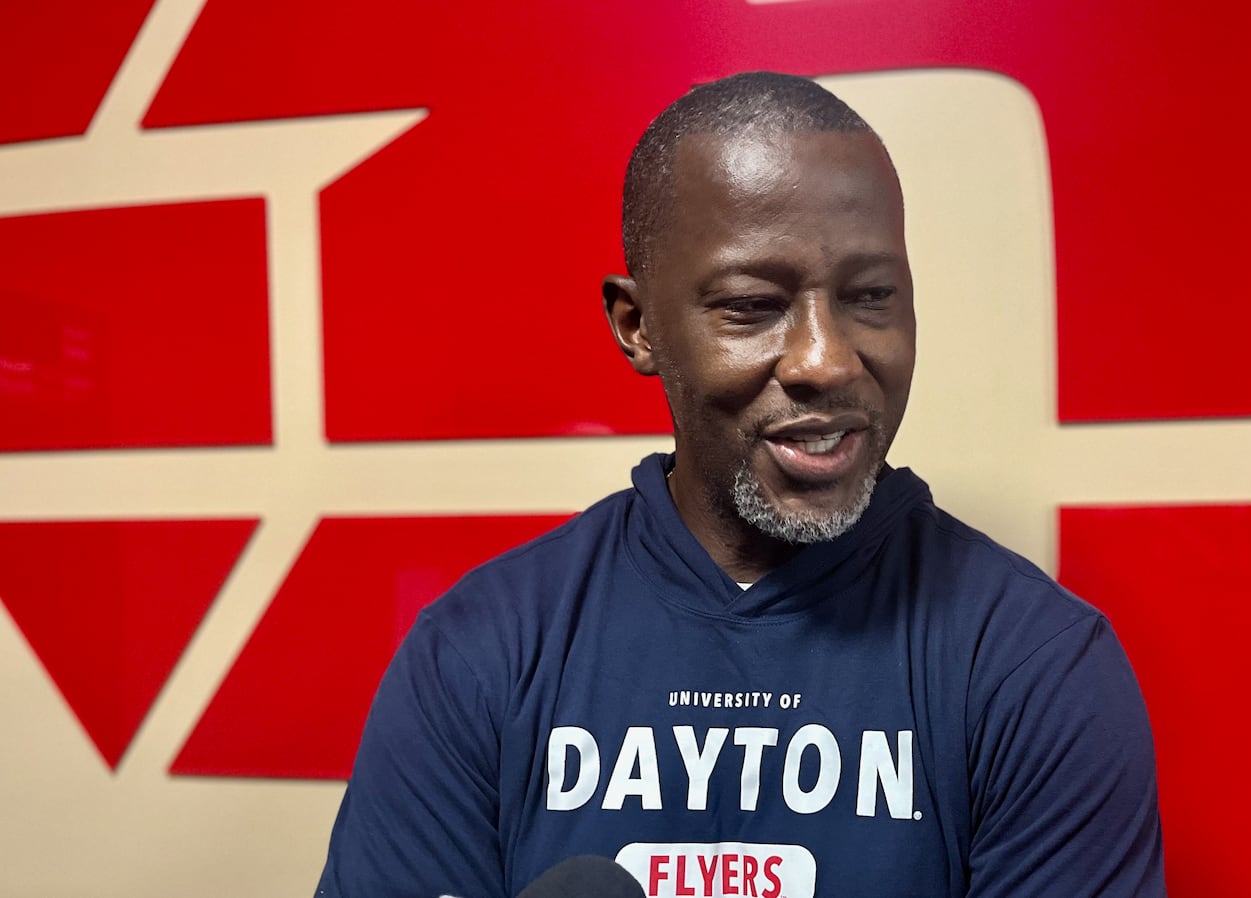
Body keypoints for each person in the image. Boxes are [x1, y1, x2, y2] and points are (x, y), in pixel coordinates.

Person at [316, 71, 1165, 898]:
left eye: (871, 296)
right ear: (638, 326)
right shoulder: (479, 653)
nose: (828, 361)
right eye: (754, 305)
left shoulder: (1037, 668)